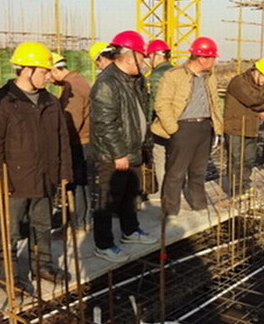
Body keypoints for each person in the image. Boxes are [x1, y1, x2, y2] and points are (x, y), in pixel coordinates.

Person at [0, 42, 72, 290]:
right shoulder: (1, 102)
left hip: (45, 177)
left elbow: (62, 139)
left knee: (42, 225)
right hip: (14, 182)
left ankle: (42, 266)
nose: (49, 76)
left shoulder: (50, 102)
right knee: (10, 231)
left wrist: (64, 172)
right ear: (26, 70)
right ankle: (8, 276)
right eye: (44, 71)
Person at [90, 31, 157, 263]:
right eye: (142, 57)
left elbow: (139, 115)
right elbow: (105, 123)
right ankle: (103, 244)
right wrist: (118, 153)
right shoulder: (107, 84)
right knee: (108, 200)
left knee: (130, 194)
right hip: (114, 155)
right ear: (130, 56)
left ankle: (130, 231)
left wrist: (144, 146)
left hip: (133, 149)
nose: (144, 62)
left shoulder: (134, 80)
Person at [152, 37, 222, 218]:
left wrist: (217, 129)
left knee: (198, 171)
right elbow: (162, 104)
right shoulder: (174, 75)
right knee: (176, 172)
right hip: (183, 127)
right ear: (201, 58)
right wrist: (173, 129)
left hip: (204, 127)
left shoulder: (210, 77)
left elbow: (215, 104)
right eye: (212, 58)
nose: (214, 61)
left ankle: (199, 205)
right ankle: (170, 211)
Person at [222, 57, 264, 198]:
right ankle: (236, 190)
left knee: (248, 159)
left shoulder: (260, 84)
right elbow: (254, 100)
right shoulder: (239, 82)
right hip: (235, 127)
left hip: (251, 126)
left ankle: (245, 185)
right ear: (258, 72)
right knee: (236, 160)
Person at [50, 52, 93, 232]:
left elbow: (72, 121)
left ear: (55, 70)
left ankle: (78, 223)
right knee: (84, 183)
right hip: (85, 140)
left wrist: (60, 143)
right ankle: (85, 221)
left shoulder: (72, 87)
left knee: (76, 183)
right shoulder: (78, 80)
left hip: (78, 142)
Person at [145, 39, 172, 197]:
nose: (150, 61)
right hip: (178, 123)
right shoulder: (176, 71)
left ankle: (164, 191)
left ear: (157, 56)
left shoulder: (157, 75)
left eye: (150, 57)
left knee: (160, 157)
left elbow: (155, 102)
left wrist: (149, 122)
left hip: (161, 123)